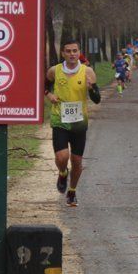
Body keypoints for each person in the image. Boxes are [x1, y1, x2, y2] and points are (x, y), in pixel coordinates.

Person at [46, 39, 102, 207]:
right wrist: (49, 95)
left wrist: (91, 88)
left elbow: (97, 99)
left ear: (79, 52)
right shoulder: (54, 71)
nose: (72, 54)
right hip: (59, 120)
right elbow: (44, 85)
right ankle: (63, 173)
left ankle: (72, 191)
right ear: (63, 53)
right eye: (68, 51)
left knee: (77, 161)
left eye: (75, 51)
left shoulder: (88, 72)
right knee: (61, 156)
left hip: (79, 122)